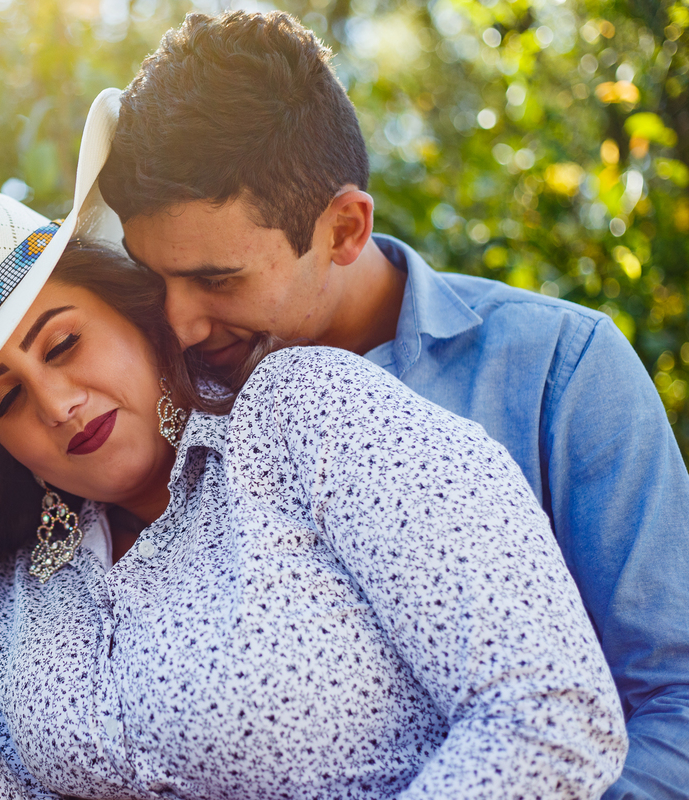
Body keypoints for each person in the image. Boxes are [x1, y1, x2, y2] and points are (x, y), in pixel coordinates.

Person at [0, 93, 625, 799]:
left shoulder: (311, 417)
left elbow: (550, 713)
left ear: (134, 311)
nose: (56, 403)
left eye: (63, 344)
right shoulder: (20, 595)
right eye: (6, 398)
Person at [96, 11, 689, 799]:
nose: (179, 322)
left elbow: (673, 699)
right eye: (153, 274)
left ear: (344, 227)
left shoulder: (558, 373)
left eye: (216, 279)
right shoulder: (174, 402)